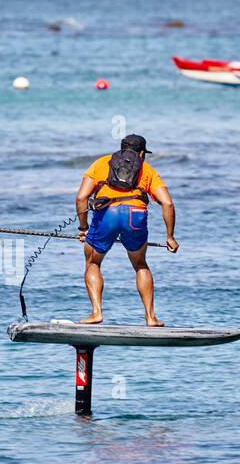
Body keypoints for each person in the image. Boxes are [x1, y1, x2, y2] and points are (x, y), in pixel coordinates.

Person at [74, 134, 178, 326]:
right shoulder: (147, 170)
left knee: (93, 262)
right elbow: (168, 203)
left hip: (107, 215)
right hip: (135, 216)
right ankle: (150, 317)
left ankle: (96, 313)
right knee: (140, 264)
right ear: (141, 153)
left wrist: (84, 228)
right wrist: (170, 237)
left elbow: (81, 198)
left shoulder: (101, 163)